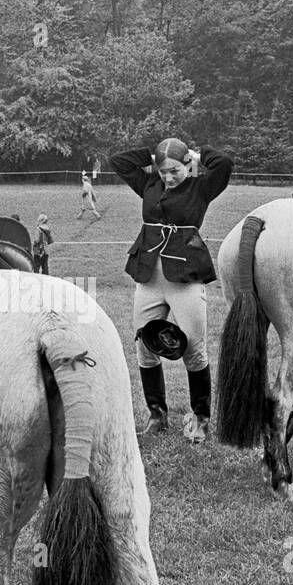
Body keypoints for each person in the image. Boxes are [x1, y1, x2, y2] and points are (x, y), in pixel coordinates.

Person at [111, 137, 233, 443]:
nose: (168, 177)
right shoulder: (149, 183)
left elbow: (225, 165)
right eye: (163, 171)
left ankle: (201, 419)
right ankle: (157, 415)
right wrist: (152, 155)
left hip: (186, 277)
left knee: (194, 347)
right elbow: (119, 161)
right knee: (143, 345)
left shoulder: (201, 187)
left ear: (187, 165)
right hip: (148, 276)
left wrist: (198, 152)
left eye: (175, 171)